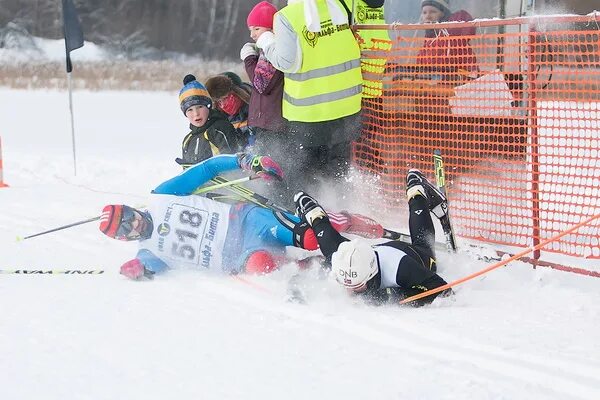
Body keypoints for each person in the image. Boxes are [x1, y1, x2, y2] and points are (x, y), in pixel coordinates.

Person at [99, 153, 387, 280]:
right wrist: (135, 270)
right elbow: (149, 269)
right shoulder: (148, 253)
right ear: (124, 239)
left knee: (311, 237)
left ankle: (342, 221)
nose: (134, 223)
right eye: (125, 229)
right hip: (237, 256)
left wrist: (246, 161)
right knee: (262, 267)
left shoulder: (160, 197)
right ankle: (323, 265)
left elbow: (207, 169)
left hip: (246, 220)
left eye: (129, 215)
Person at [254, 0, 364, 201]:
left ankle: (310, 218)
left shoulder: (287, 16)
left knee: (307, 175)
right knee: (337, 171)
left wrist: (266, 40)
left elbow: (285, 62)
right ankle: (344, 211)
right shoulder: (339, 5)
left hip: (309, 113)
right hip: (347, 108)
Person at [293, 169, 452, 306]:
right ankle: (313, 213)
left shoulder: (400, 267)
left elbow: (442, 290)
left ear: (371, 274)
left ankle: (417, 189)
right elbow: (304, 281)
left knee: (425, 249)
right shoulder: (339, 263)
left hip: (413, 255)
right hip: (366, 252)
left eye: (358, 287)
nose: (350, 293)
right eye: (348, 286)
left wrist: (393, 295)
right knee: (330, 246)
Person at [176, 74, 246, 169]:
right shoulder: (187, 140)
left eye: (200, 107)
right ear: (185, 114)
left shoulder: (220, 128)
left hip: (228, 179)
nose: (196, 113)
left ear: (209, 106)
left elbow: (233, 156)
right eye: (190, 110)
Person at [417, 0, 479, 79]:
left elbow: (437, 63)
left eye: (433, 12)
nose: (427, 16)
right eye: (424, 12)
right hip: (437, 87)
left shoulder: (453, 34)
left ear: (443, 14)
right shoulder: (429, 40)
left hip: (461, 85)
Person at [205, 72, 254, 146]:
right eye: (219, 102)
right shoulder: (222, 122)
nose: (223, 106)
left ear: (238, 93)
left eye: (224, 98)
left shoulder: (259, 108)